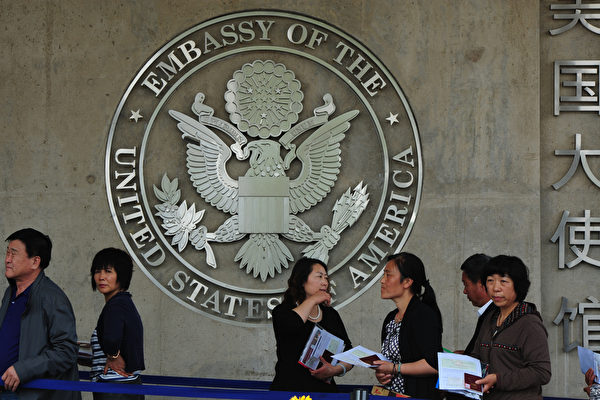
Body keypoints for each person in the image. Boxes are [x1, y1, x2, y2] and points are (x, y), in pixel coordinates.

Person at [0, 228, 81, 400]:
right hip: (5, 389)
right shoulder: (10, 293)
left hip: (31, 394)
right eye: (7, 253)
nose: (7, 259)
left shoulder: (53, 298)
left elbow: (66, 352)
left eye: (14, 254)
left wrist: (23, 370)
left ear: (35, 261)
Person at [470, 255, 551, 399]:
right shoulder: (490, 318)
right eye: (490, 281)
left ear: (518, 285)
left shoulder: (530, 323)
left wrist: (498, 379)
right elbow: (476, 357)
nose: (496, 288)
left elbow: (541, 372)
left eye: (503, 281)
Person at [270, 257, 353, 392]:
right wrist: (313, 300)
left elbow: (348, 352)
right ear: (302, 280)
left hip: (324, 392)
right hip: (289, 390)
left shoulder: (330, 314)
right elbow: (293, 325)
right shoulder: (283, 311)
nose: (325, 282)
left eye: (326, 278)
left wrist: (335, 369)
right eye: (319, 276)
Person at [373, 252, 443, 400]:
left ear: (407, 282)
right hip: (391, 394)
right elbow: (390, 361)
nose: (382, 281)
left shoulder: (423, 315)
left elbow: (434, 364)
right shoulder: (391, 318)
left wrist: (394, 368)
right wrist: (383, 373)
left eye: (388, 275)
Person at [89, 248, 145, 400]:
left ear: (122, 275)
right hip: (125, 386)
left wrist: (113, 355)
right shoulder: (124, 303)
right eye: (97, 271)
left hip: (115, 386)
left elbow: (111, 338)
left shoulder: (116, 305)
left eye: (108, 271)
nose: (101, 277)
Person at [460, 253, 492, 355]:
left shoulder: (496, 316)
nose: (464, 291)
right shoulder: (488, 313)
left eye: (466, 284)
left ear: (481, 284)